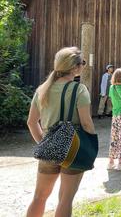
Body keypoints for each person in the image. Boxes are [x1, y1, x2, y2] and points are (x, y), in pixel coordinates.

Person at [26, 47, 96, 217]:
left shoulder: (43, 89)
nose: (83, 66)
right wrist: (92, 146)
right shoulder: (79, 90)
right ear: (74, 68)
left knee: (39, 197)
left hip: (50, 146)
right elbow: (86, 123)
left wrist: (44, 142)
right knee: (65, 199)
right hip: (73, 148)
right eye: (82, 63)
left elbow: (31, 122)